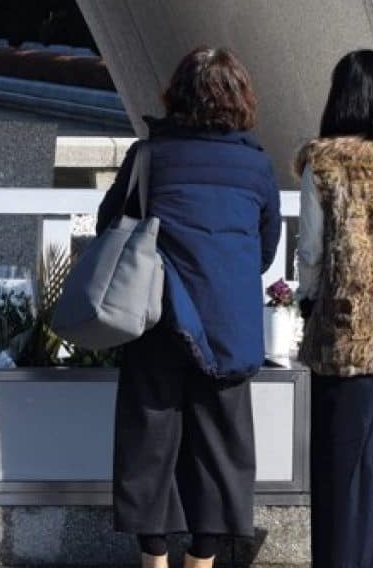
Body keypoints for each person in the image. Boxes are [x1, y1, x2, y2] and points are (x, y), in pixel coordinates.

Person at [97, 47, 281, 568]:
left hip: (157, 318)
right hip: (226, 326)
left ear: (178, 95)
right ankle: (203, 560)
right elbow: (265, 249)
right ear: (239, 97)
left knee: (147, 445)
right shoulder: (257, 164)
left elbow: (110, 225)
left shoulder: (150, 156)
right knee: (222, 450)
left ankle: (153, 558)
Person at [296, 49, 373, 567]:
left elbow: (312, 256)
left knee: (346, 488)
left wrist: (307, 304)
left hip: (348, 348)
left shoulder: (323, 162)